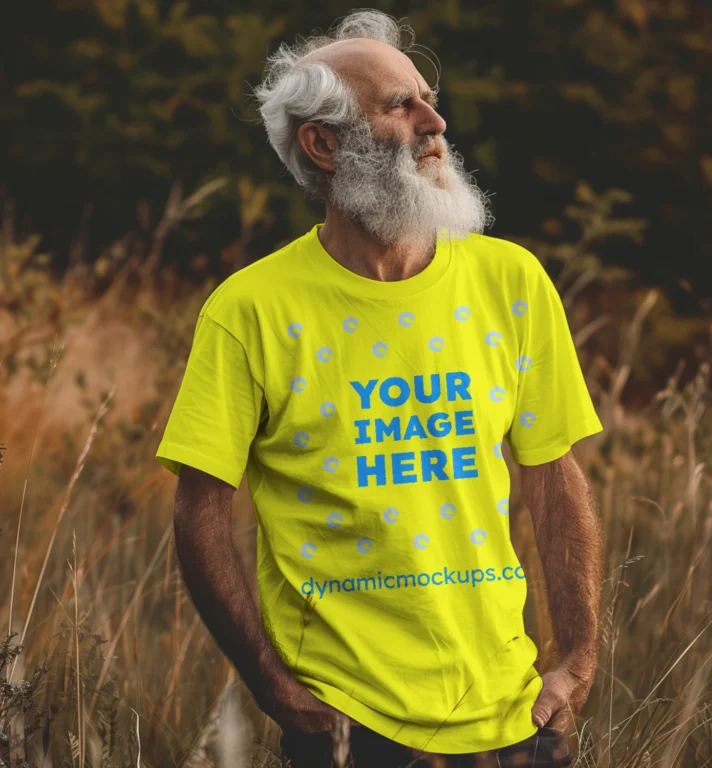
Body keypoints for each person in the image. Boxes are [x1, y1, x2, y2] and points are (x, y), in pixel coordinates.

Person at [156, 9, 604, 768]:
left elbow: (553, 475)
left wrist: (579, 658)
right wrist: (272, 686)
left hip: (514, 710)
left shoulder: (513, 281)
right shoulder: (251, 309)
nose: (435, 121)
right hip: (348, 723)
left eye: (427, 98)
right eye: (399, 105)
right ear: (321, 144)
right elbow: (199, 507)